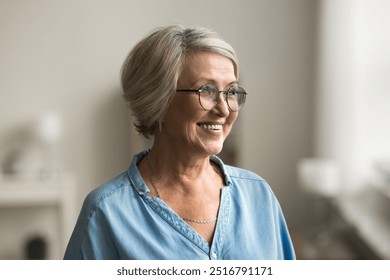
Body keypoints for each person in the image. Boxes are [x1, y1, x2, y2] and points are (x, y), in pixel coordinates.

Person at [63, 25, 295, 260]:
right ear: (159, 101)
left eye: (231, 92)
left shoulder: (258, 194)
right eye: (207, 90)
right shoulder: (106, 211)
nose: (224, 109)